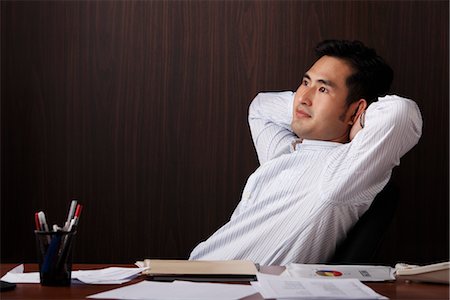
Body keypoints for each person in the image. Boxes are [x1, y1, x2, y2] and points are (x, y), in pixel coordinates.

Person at [189, 40, 422, 266]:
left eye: (322, 88)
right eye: (305, 82)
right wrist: (321, 108)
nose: (303, 98)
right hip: (185, 274)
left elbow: (401, 113)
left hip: (226, 288)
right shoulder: (282, 153)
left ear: (356, 109)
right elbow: (261, 107)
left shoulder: (343, 172)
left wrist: (359, 120)